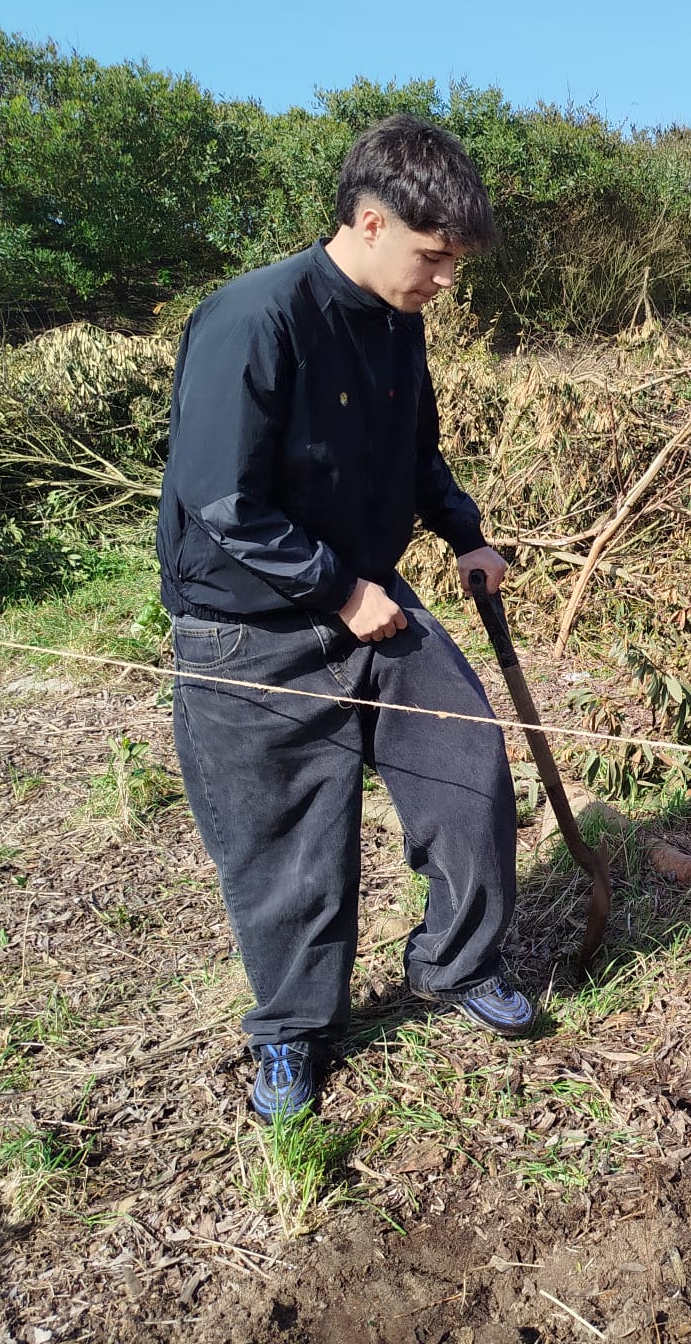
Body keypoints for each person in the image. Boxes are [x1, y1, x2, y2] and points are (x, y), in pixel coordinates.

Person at [157, 115, 533, 1124]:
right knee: (287, 847)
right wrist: (337, 591)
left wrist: (462, 533)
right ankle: (292, 1032)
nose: (445, 280)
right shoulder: (253, 320)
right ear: (369, 223)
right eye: (433, 257)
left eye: (455, 262)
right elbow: (221, 499)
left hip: (372, 597)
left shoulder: (395, 324)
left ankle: (454, 965)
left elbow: (417, 453)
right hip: (248, 629)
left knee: (468, 777)